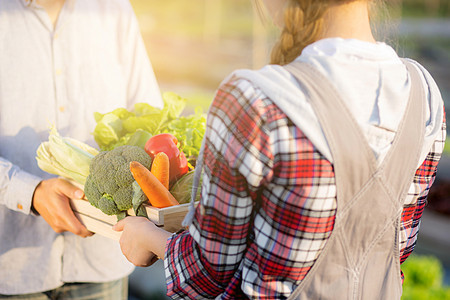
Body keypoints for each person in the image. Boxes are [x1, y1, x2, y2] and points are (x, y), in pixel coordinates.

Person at [113, 0, 446, 299]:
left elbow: (206, 273)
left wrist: (149, 238)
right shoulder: (424, 93)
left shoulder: (254, 99)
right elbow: (394, 249)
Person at [0, 0, 163, 298]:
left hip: (104, 262)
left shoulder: (114, 8)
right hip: (11, 269)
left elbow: (148, 112)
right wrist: (29, 191)